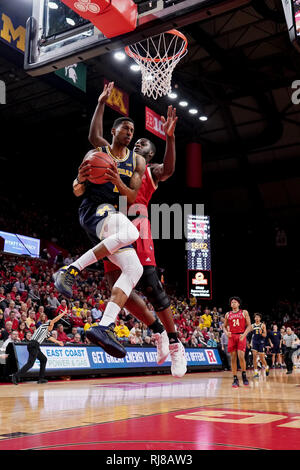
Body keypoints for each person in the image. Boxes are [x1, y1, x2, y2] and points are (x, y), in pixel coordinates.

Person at [88, 81, 187, 378]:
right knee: (115, 287)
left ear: (149, 157)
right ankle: (157, 330)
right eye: (135, 139)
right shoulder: (117, 157)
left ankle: (175, 343)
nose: (138, 142)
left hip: (137, 221)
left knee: (151, 286)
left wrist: (169, 138)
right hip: (112, 222)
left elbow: (169, 170)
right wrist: (102, 103)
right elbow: (95, 137)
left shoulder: (150, 170)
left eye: (144, 144)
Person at [53, 105, 145, 360]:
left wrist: (117, 182)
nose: (129, 133)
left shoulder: (136, 160)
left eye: (133, 130)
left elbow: (132, 196)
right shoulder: (97, 153)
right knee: (132, 233)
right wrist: (79, 180)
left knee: (134, 269)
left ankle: (104, 326)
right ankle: (70, 270)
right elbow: (77, 190)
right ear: (113, 131)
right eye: (125, 128)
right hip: (95, 210)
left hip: (113, 218)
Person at [10, 310, 66, 385]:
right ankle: (15, 376)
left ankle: (41, 378)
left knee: (43, 359)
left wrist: (59, 342)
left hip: (35, 346)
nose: (52, 327)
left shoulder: (45, 331)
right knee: (30, 364)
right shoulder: (44, 326)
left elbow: (50, 338)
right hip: (34, 345)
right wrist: (63, 313)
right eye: (51, 325)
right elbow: (54, 320)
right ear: (49, 324)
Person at [223, 296, 252, 388]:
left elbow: (250, 326)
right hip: (232, 337)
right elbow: (224, 326)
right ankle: (235, 378)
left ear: (238, 304)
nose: (233, 303)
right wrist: (226, 332)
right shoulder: (228, 314)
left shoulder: (244, 312)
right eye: (232, 302)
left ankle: (244, 375)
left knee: (241, 356)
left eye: (235, 302)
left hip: (241, 336)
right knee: (233, 358)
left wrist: (244, 335)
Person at [248, 313, 269, 378]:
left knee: (262, 358)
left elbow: (265, 335)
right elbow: (249, 335)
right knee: (254, 357)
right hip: (254, 342)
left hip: (261, 342)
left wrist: (261, 333)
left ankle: (266, 367)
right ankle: (256, 372)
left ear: (260, 318)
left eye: (258, 317)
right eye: (256, 317)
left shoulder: (262, 325)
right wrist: (248, 343)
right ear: (254, 318)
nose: (257, 318)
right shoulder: (252, 326)